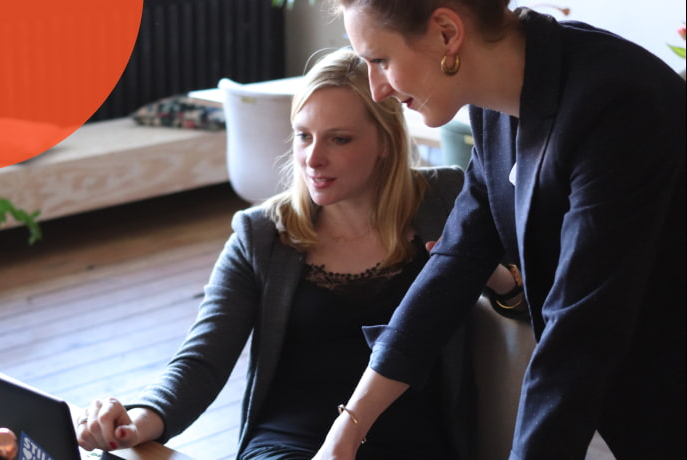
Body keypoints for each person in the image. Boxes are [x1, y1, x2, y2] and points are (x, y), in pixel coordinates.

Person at [75, 47, 523, 459]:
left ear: (385, 141)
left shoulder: (446, 198)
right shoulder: (262, 234)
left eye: (339, 139)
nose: (313, 158)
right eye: (303, 136)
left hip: (414, 445)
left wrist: (494, 276)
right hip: (289, 445)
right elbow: (202, 361)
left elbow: (529, 304)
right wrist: (136, 421)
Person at [314, 1, 686, 460]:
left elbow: (580, 332)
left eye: (380, 61)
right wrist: (346, 431)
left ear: (448, 33)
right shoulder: (496, 106)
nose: (377, 90)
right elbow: (457, 258)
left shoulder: (616, 102)